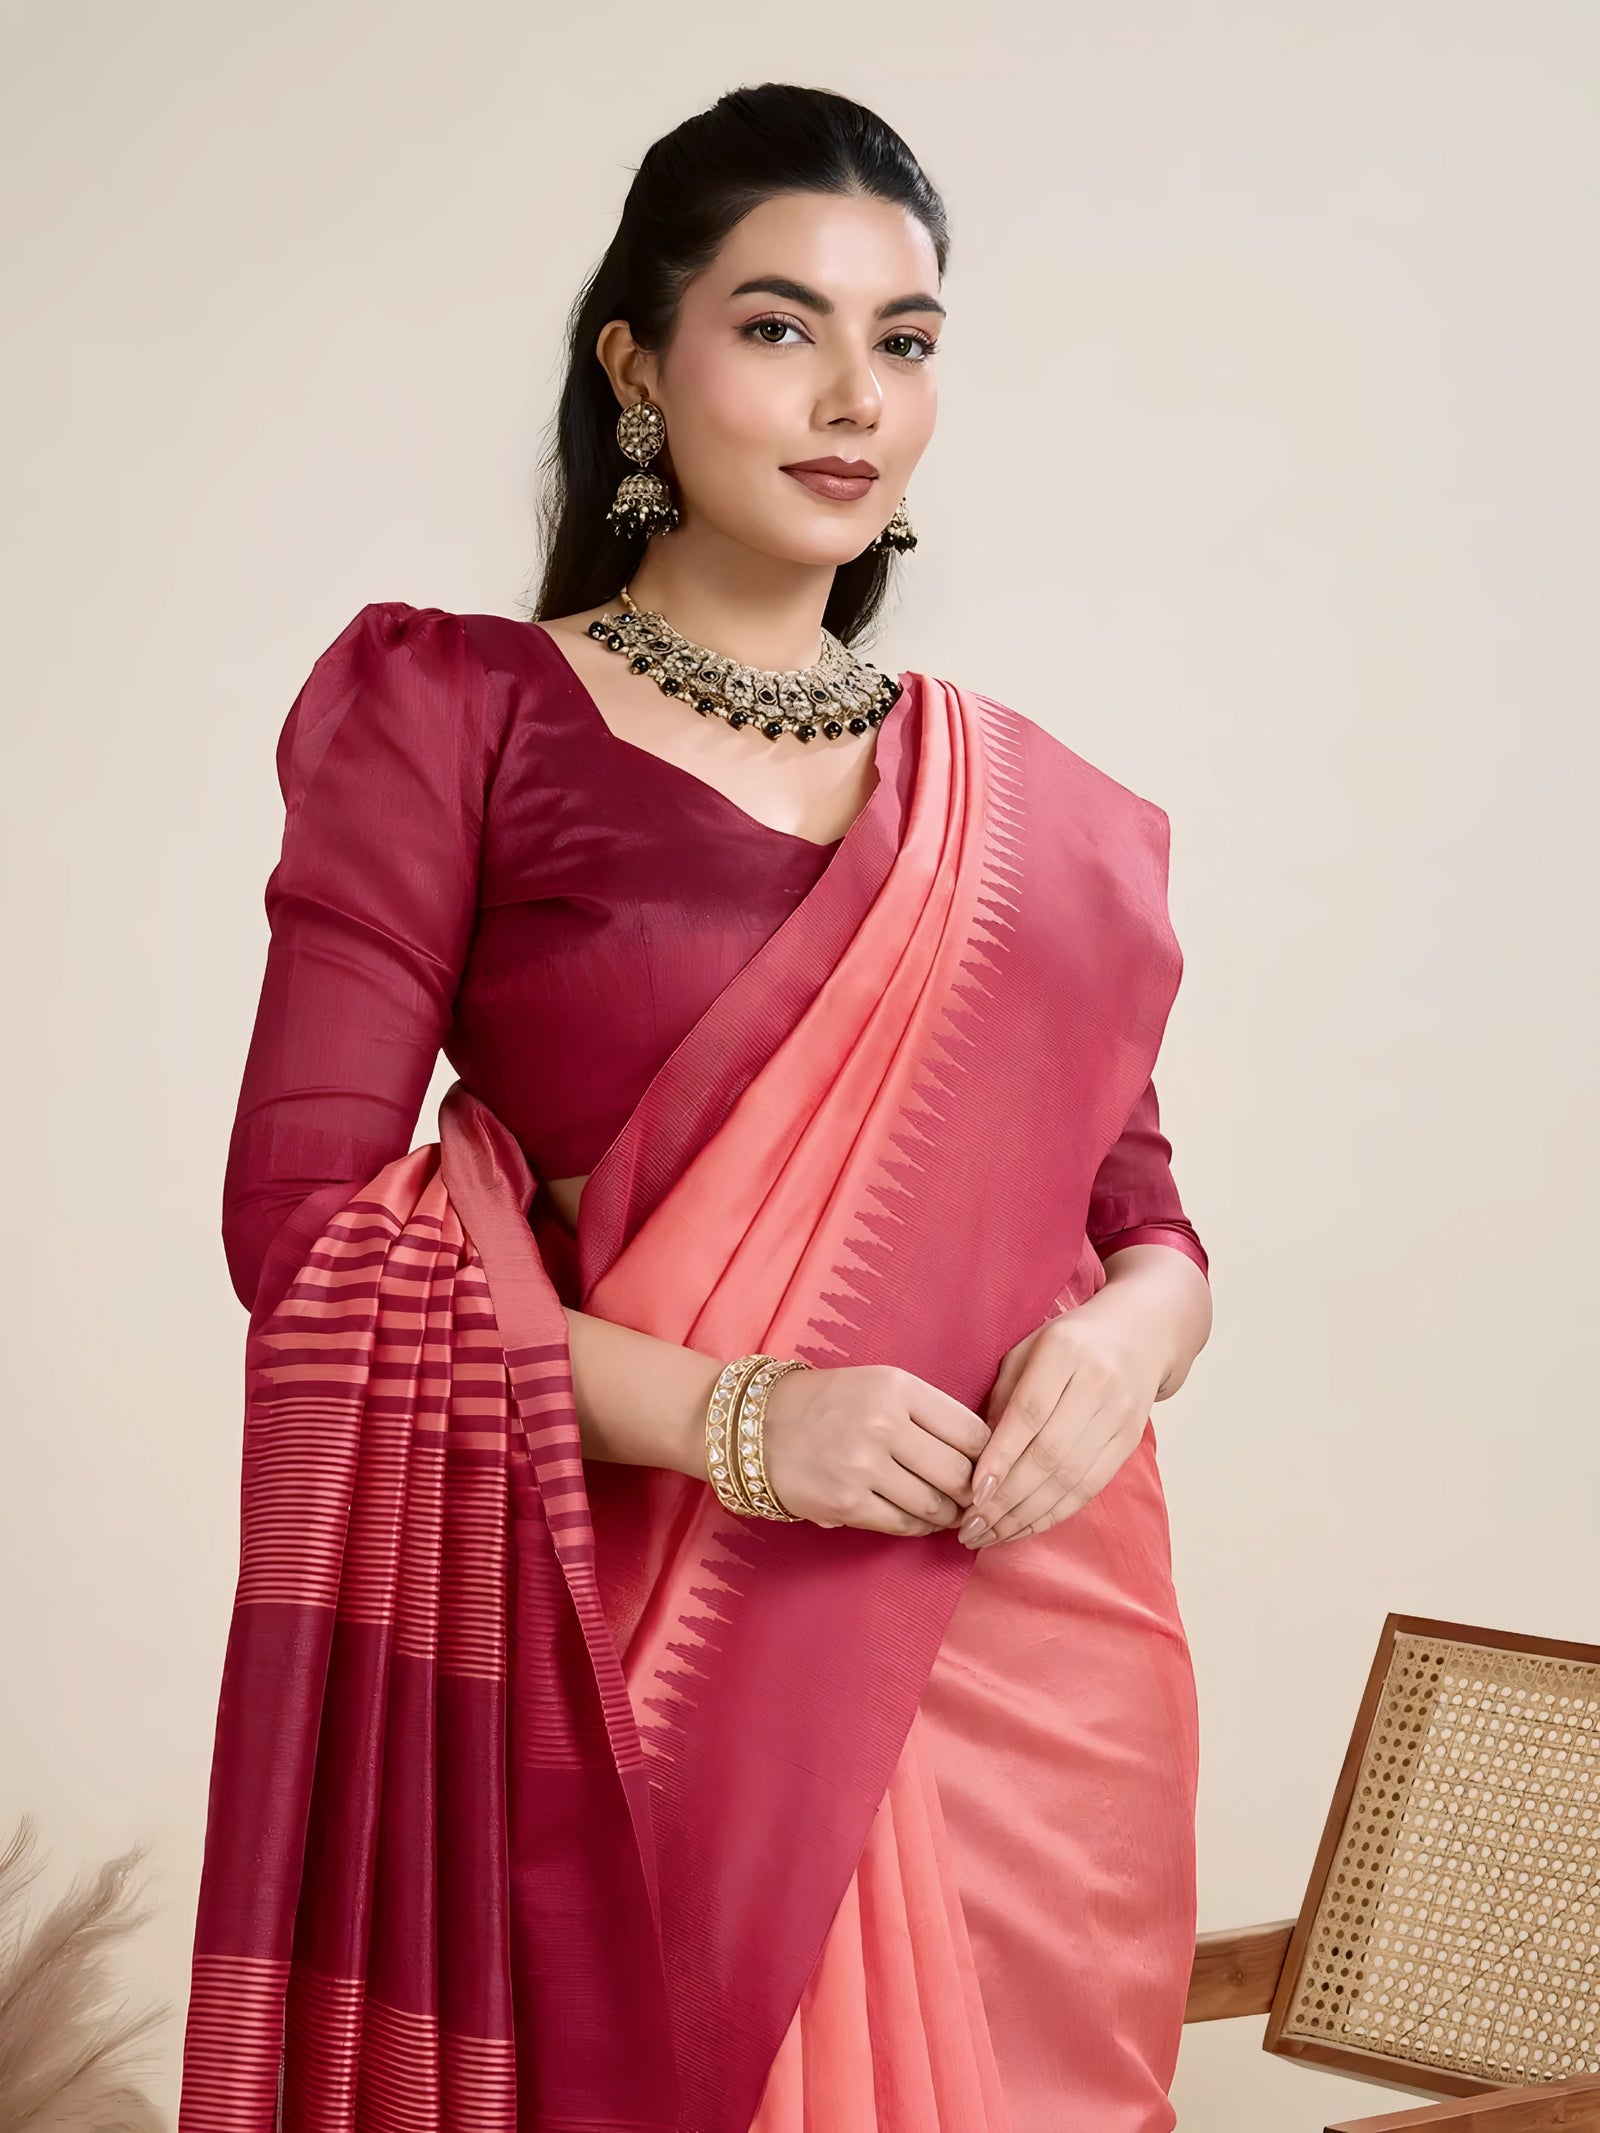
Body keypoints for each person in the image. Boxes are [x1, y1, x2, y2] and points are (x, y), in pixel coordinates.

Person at [181, 80, 1213, 2133]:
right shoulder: (457, 718)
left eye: (900, 340)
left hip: (1028, 1666)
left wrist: (1121, 1338)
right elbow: (300, 1238)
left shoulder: (1028, 817)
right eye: (776, 324)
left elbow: (1148, 1218)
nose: (850, 395)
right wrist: (748, 1418)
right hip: (641, 1653)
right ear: (637, 364)